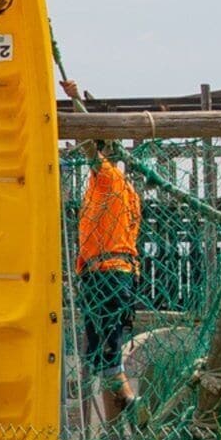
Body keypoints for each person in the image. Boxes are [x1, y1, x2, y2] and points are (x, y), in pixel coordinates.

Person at [76, 142, 144, 420]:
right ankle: (120, 424)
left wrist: (76, 100)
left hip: (109, 274)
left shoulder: (109, 178)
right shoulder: (120, 189)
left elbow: (89, 147)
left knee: (107, 355)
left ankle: (131, 403)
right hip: (107, 276)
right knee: (101, 356)